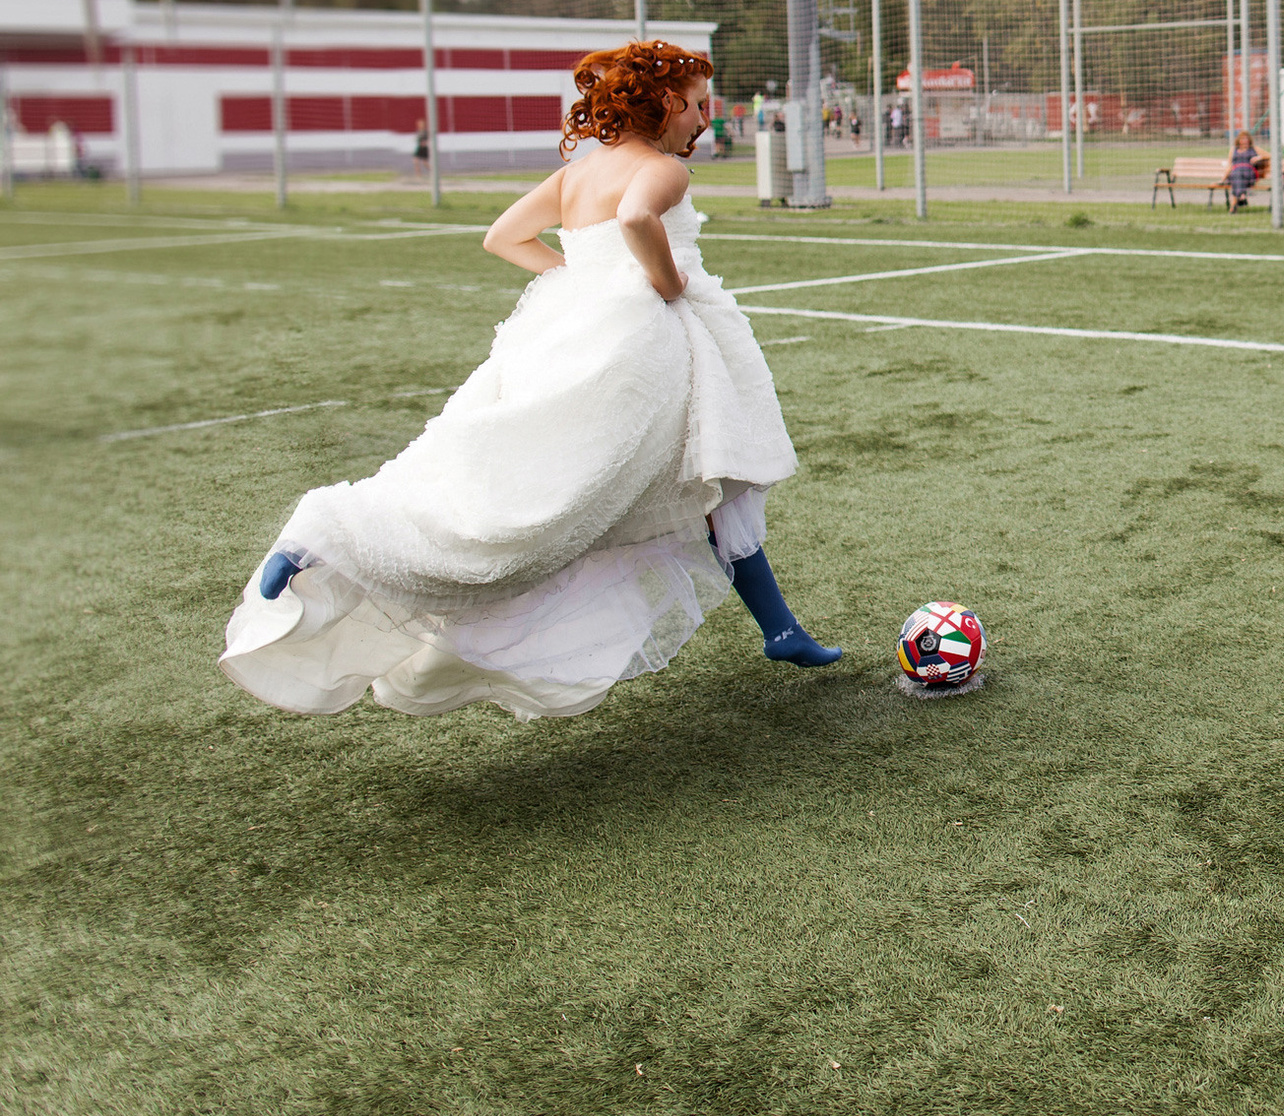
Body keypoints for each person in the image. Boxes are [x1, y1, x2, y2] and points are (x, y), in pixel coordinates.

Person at [220, 39, 841, 721]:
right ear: (666, 103)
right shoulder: (663, 170)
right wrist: (666, 282)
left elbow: (504, 236)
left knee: (682, 472)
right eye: (696, 105)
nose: (704, 118)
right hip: (648, 344)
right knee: (612, 490)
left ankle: (781, 628)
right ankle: (332, 533)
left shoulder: (578, 174)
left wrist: (584, 280)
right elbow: (636, 217)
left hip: (578, 329)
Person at [1223, 130, 1262, 213]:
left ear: (1249, 140)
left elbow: (1268, 155)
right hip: (1236, 173)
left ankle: (1235, 204)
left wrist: (1258, 158)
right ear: (1238, 140)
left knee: (1237, 175)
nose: (1245, 141)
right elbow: (1230, 164)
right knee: (1236, 174)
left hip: (1249, 173)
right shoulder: (1234, 149)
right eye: (1242, 138)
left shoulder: (1253, 149)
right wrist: (1223, 178)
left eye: (1246, 138)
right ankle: (1241, 196)